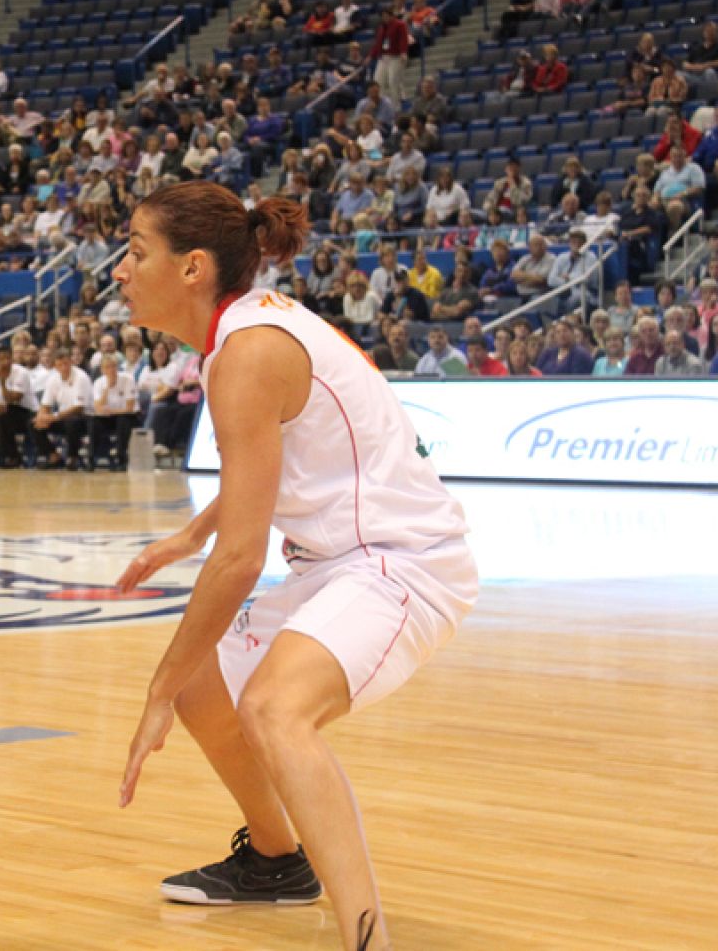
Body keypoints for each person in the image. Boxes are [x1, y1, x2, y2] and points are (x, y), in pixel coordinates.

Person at [111, 182, 475, 951]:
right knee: (204, 683)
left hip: (401, 564)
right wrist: (187, 536)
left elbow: (241, 559)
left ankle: (366, 940)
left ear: (192, 268)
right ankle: (277, 861)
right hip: (339, 562)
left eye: (136, 250)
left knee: (273, 708)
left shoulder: (246, 353)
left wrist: (152, 689)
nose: (120, 267)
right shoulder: (244, 334)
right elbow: (274, 471)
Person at [0, 345, 35, 468]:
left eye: (8, 358)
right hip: (4, 411)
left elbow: (14, 398)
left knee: (6, 414)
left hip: (26, 412)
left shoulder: (21, 372)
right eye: (2, 359)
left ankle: (8, 456)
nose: (5, 361)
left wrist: (2, 383)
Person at [90, 352, 139, 470]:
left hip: (130, 416)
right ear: (102, 370)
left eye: (113, 366)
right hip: (109, 417)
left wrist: (111, 411)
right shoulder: (98, 382)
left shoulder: (128, 379)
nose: (111, 370)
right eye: (107, 367)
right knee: (94, 421)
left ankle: (121, 459)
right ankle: (92, 458)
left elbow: (130, 407)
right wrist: (107, 388)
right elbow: (97, 407)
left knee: (123, 420)